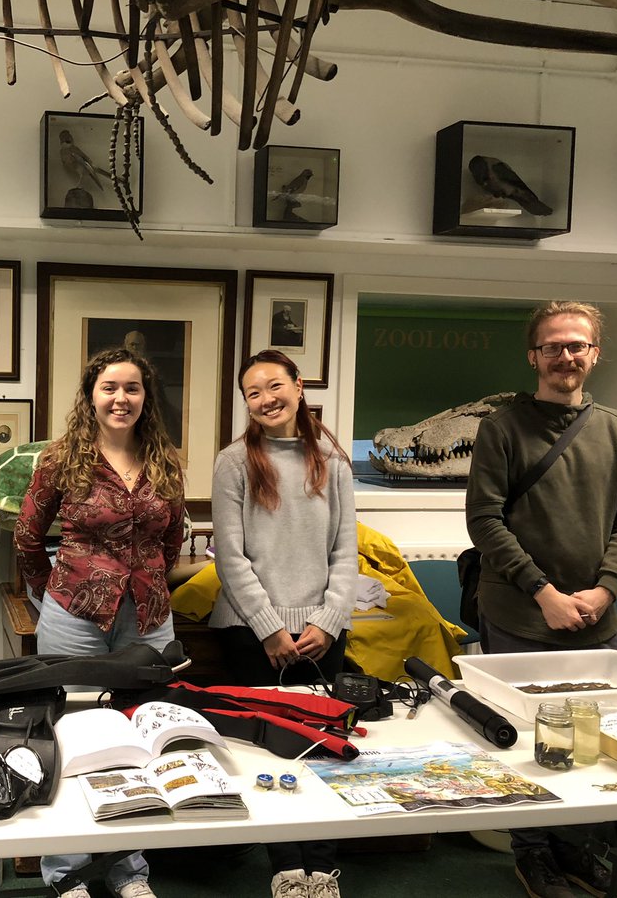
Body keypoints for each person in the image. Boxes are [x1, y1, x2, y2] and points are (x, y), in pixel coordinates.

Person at [466, 300, 617, 898]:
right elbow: (486, 521)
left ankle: (577, 851)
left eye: (577, 346)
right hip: (520, 611)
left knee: (593, 742)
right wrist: (542, 591)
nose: (565, 356)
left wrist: (606, 589)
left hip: (597, 617)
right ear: (533, 355)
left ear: (594, 353)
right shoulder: (501, 428)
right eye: (553, 347)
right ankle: (534, 856)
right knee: (527, 742)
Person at [14, 347, 185, 898]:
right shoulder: (62, 457)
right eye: (110, 387)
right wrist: (52, 595)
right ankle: (67, 873)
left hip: (149, 618)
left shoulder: (165, 459)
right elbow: (27, 538)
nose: (121, 398)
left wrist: (154, 580)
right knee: (74, 738)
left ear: (145, 397)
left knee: (141, 737)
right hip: (75, 616)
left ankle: (129, 869)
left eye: (132, 388)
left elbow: (172, 536)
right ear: (91, 394)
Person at [209, 349, 356, 898]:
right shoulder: (233, 462)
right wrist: (269, 627)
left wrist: (330, 619)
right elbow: (231, 556)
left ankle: (322, 868)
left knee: (322, 748)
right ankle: (285, 870)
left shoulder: (333, 461)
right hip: (252, 635)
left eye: (275, 386)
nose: (266, 399)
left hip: (324, 634)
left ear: (298, 386)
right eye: (253, 392)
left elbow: (345, 551)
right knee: (266, 750)